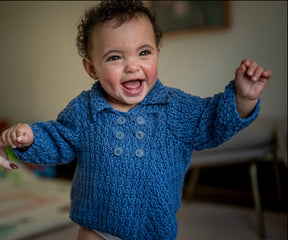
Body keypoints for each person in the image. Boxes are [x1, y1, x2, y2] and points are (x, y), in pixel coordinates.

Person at [0, 1, 272, 239]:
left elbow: (213, 119)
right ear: (92, 67)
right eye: (115, 57)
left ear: (158, 52)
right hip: (96, 225)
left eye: (144, 53)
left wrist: (243, 99)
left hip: (153, 228)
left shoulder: (174, 108)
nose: (132, 66)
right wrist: (30, 138)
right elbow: (58, 138)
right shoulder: (84, 110)